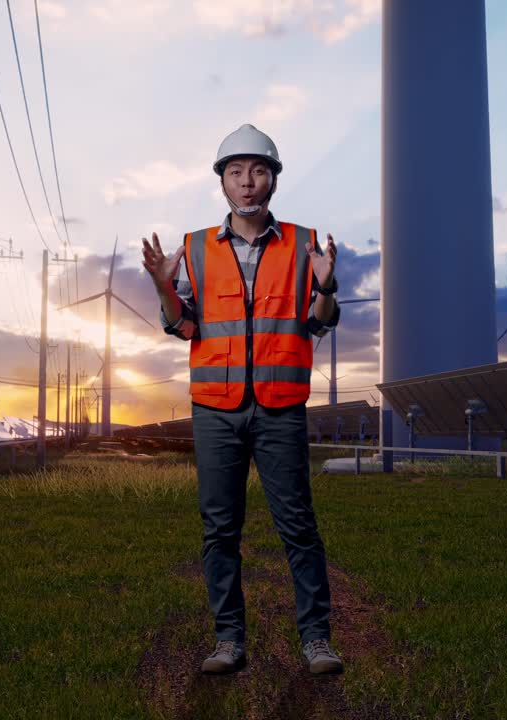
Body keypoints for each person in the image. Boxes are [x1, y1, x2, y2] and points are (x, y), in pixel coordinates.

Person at [140, 124, 344, 675]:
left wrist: (326, 287)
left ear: (273, 179)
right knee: (219, 528)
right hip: (216, 408)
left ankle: (317, 640)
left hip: (280, 406)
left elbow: (319, 324)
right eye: (236, 173)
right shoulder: (195, 248)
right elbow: (182, 327)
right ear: (222, 183)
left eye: (258, 171)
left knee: (297, 523)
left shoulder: (304, 244)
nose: (247, 183)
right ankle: (229, 640)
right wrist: (163, 285)